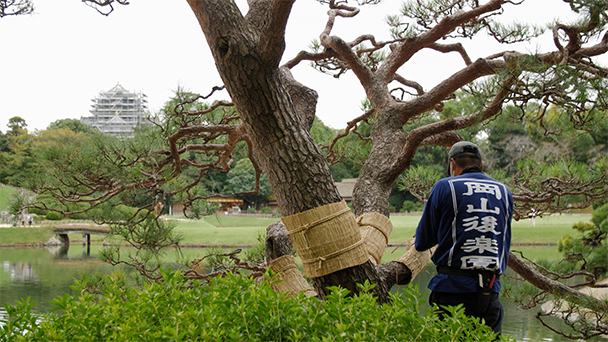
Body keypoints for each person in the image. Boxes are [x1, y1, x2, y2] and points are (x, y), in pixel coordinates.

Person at [415, 141, 513, 334]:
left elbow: (422, 242)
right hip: (490, 290)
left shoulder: (445, 186)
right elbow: (504, 241)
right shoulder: (504, 191)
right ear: (481, 165)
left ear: (452, 164)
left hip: (450, 290)